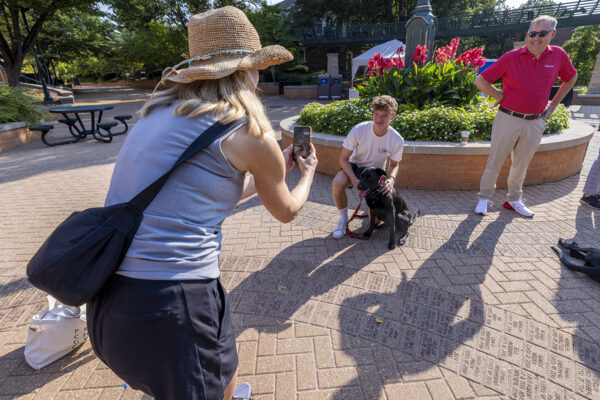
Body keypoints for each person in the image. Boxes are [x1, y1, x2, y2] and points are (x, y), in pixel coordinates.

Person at [86, 7, 317, 400]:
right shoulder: (249, 133)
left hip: (110, 299)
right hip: (176, 303)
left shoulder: (155, 115)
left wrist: (267, 174)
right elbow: (287, 211)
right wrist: (307, 171)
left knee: (209, 379)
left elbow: (200, 199)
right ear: (246, 71)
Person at [473, 15, 577, 217]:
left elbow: (571, 77)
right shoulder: (511, 56)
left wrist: (553, 105)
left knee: (522, 164)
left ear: (552, 34)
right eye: (532, 33)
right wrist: (499, 96)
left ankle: (514, 200)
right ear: (527, 34)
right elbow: (481, 80)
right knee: (495, 160)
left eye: (542, 34)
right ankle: (484, 198)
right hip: (507, 118)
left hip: (535, 121)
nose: (536, 38)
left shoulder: (558, 55)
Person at [332, 95, 404, 238]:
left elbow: (394, 165)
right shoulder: (359, 130)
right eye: (376, 114)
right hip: (355, 167)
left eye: (384, 116)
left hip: (375, 172)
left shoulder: (397, 139)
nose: (379, 119)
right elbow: (343, 158)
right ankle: (343, 219)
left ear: (393, 116)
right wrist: (354, 180)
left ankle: (371, 212)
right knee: (337, 183)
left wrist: (390, 180)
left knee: (376, 221)